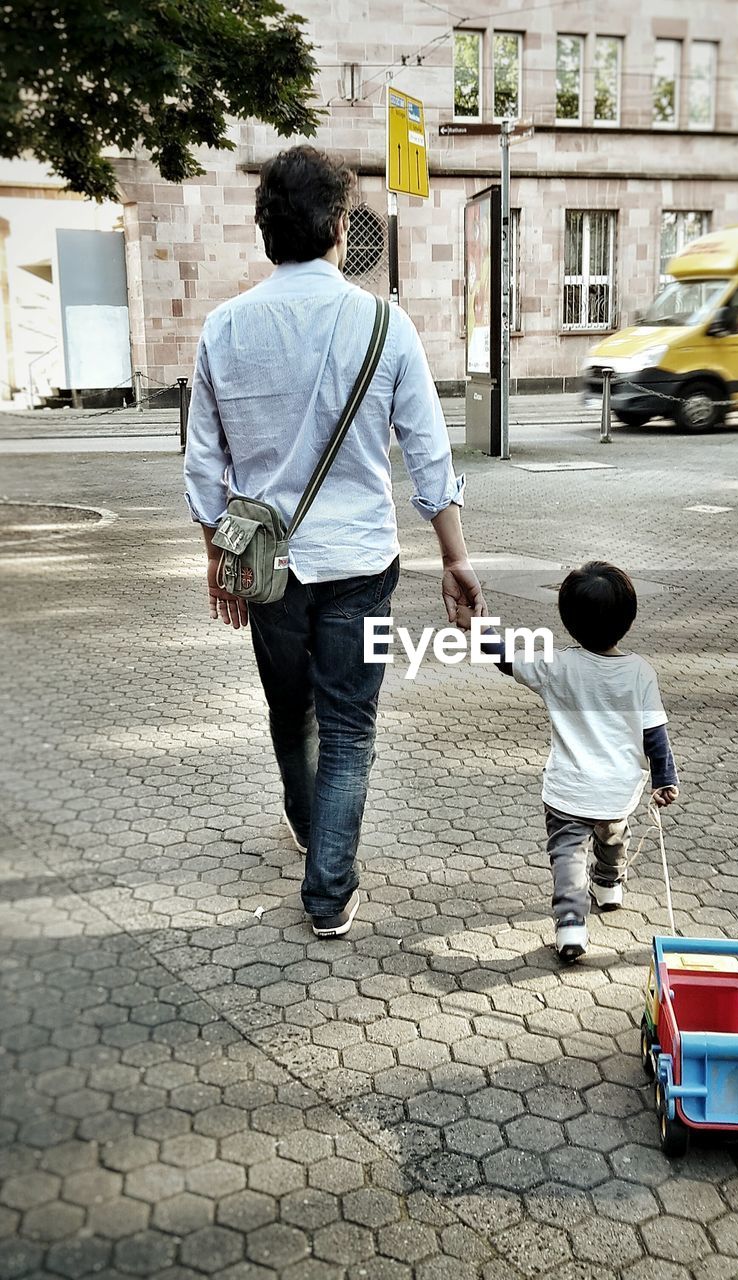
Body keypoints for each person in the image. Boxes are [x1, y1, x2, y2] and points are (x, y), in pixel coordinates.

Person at [184, 146, 486, 939]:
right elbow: (427, 453)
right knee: (351, 726)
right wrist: (455, 558)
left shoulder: (224, 327)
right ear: (338, 226)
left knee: (291, 710)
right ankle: (327, 892)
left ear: (263, 232)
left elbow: (202, 466)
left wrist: (216, 558)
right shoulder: (384, 324)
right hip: (360, 565)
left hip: (265, 567)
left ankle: (308, 825)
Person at [459, 563, 679, 963]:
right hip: (617, 792)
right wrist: (664, 778)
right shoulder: (640, 673)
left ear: (568, 621)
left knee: (567, 855)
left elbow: (506, 659)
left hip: (568, 791)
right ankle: (610, 887)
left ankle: (572, 925)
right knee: (613, 836)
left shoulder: (557, 666)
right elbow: (655, 734)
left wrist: (478, 627)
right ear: (628, 619)